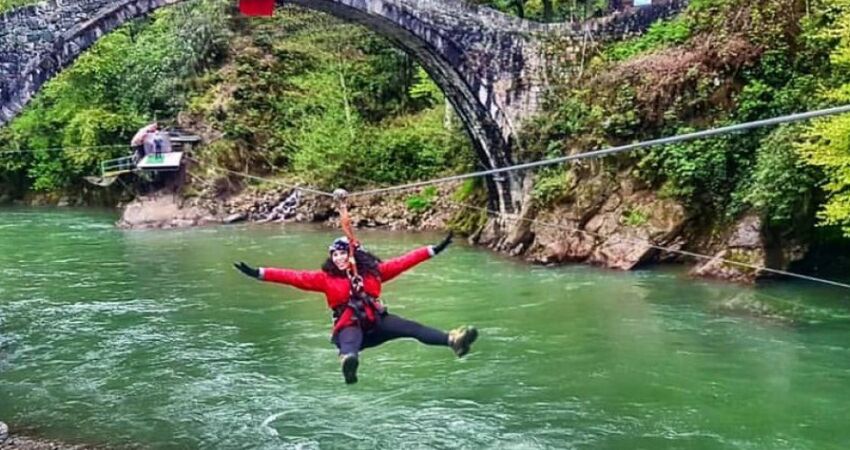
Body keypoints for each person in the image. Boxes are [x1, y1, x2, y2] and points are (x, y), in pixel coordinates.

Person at [233, 233, 478, 384]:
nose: (338, 258)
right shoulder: (325, 279)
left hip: (376, 321)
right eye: (335, 255)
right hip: (349, 324)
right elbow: (292, 277)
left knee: (411, 327)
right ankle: (348, 363)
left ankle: (453, 340)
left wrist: (432, 250)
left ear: (352, 256)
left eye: (342, 254)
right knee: (350, 341)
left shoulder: (374, 273)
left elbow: (404, 262)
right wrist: (259, 273)